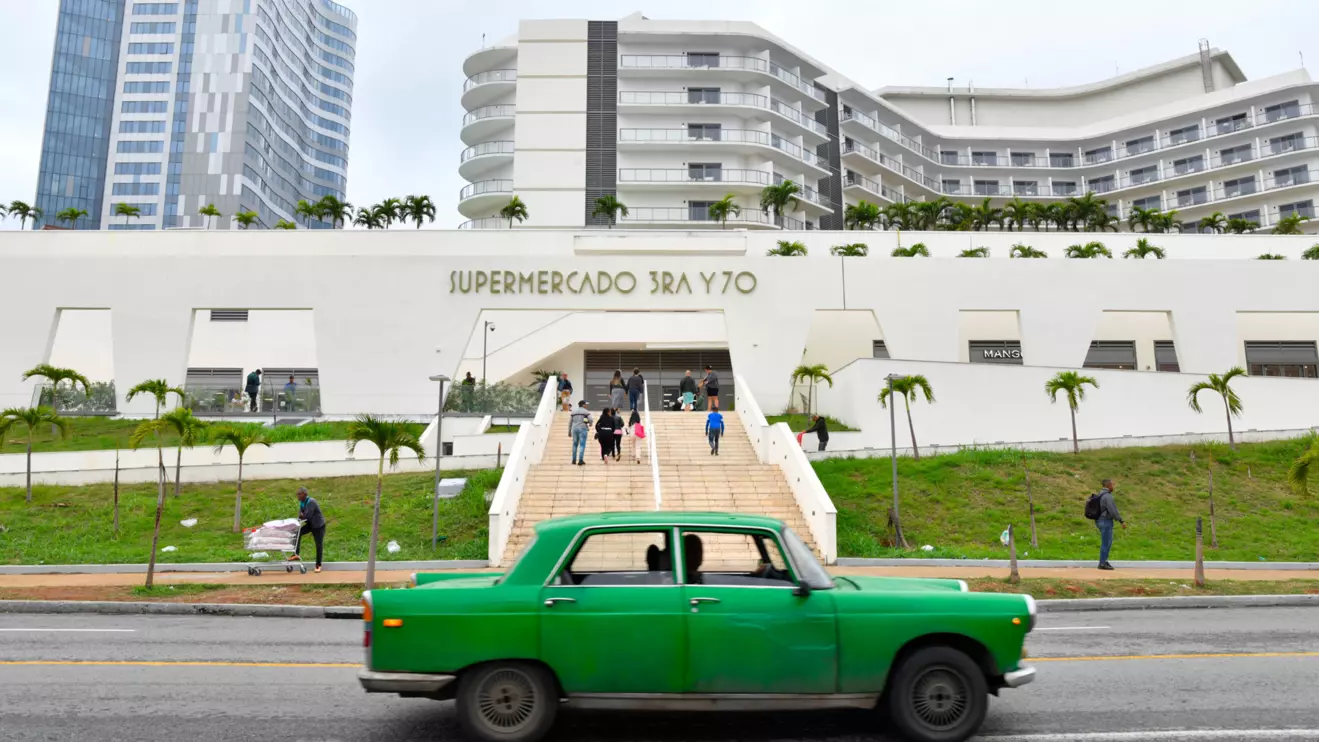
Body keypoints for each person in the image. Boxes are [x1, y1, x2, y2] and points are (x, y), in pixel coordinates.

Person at [291, 487, 326, 573]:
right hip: (310, 524)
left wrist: (302, 515)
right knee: (297, 533)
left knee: (318, 545)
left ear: (305, 494)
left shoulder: (311, 502)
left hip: (318, 526)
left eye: (299, 494)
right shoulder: (302, 503)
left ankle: (318, 565)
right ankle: (296, 554)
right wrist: (300, 517)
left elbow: (307, 516)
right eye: (297, 494)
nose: (297, 496)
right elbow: (301, 515)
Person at [1096, 478, 1127, 570]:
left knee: (1106, 541)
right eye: (1112, 485)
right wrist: (1121, 520)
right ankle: (1102, 563)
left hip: (1099, 521)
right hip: (1106, 521)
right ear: (1108, 485)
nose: (1113, 486)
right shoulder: (1108, 496)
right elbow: (1113, 511)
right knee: (1106, 542)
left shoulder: (1100, 494)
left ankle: (1104, 561)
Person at [569, 400, 591, 466]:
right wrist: (590, 423)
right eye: (586, 404)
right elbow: (591, 419)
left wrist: (569, 431)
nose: (586, 405)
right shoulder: (586, 411)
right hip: (582, 428)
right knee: (582, 444)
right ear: (583, 405)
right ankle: (580, 460)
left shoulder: (573, 411)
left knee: (575, 444)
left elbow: (570, 422)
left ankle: (574, 460)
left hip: (574, 429)